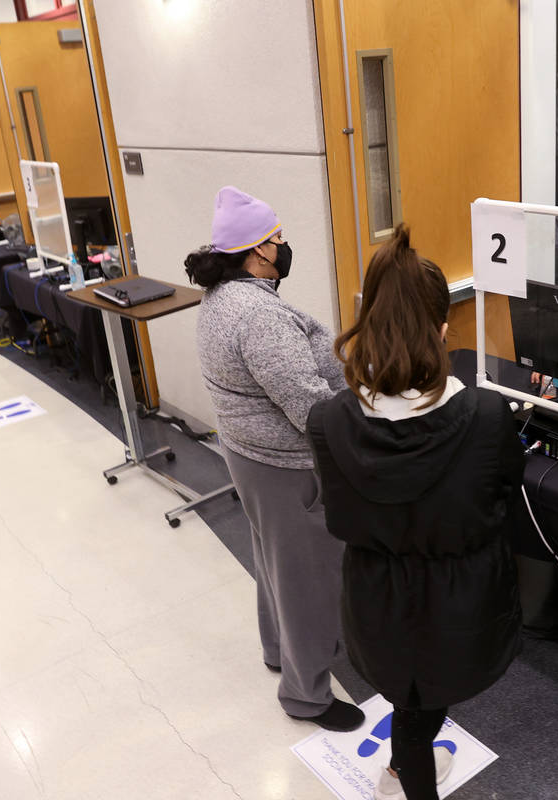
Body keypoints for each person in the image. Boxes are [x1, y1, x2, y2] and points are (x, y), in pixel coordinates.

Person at [307, 225, 524, 800]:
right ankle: (407, 772)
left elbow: (341, 514)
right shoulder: (486, 416)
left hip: (376, 603)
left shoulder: (328, 422)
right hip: (459, 605)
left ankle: (405, 767)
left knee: (409, 699)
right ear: (443, 328)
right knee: (422, 702)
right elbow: (502, 499)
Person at [185, 185, 364, 733]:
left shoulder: (220, 299)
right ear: (259, 250)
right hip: (286, 466)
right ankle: (307, 695)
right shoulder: (259, 316)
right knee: (307, 577)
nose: (284, 247)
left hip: (246, 454)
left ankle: (277, 650)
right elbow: (308, 406)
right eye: (278, 239)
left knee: (272, 562)